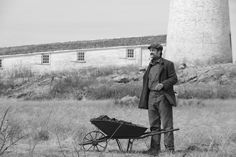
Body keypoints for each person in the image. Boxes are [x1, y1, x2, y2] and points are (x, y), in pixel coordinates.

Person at [139, 43, 178, 155]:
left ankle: (169, 150)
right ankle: (154, 149)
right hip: (151, 96)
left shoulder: (168, 64)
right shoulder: (150, 65)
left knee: (167, 124)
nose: (151, 52)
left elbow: (174, 78)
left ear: (160, 51)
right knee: (154, 125)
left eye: (154, 50)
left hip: (163, 96)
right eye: (150, 50)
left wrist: (163, 84)